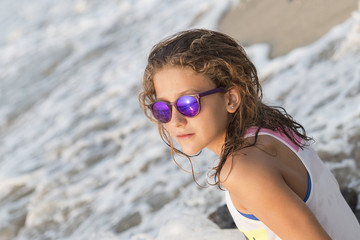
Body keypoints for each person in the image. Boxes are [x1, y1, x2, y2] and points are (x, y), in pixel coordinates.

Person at [138, 29, 360, 240]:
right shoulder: (267, 128)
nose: (176, 121)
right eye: (163, 110)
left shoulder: (241, 170)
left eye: (188, 104)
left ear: (231, 99)